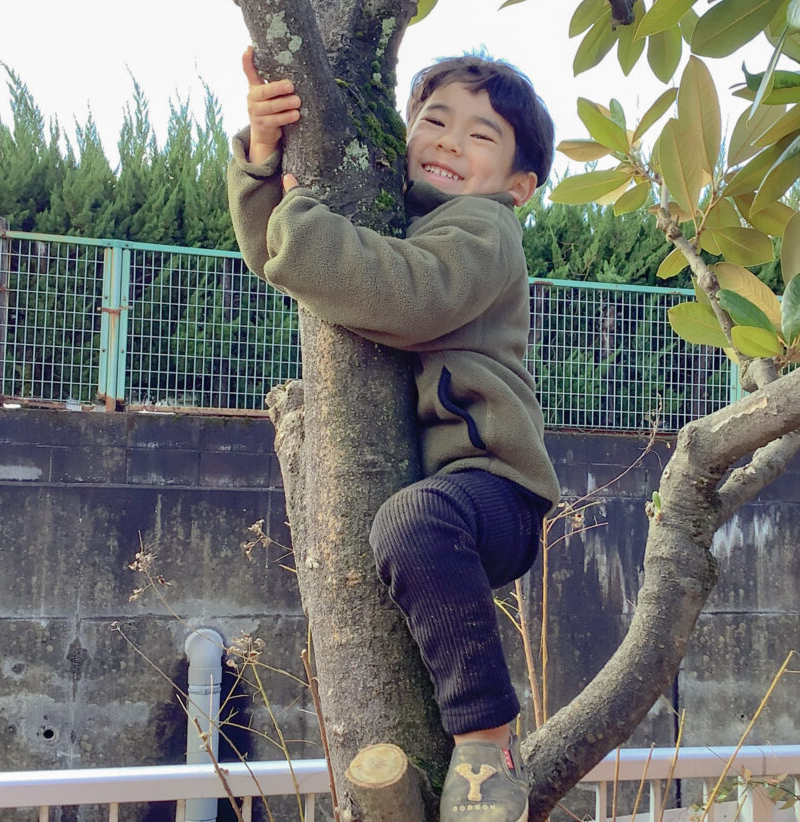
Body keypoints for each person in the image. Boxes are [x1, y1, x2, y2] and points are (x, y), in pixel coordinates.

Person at [228, 46, 560, 822]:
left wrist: (301, 212)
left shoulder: (484, 228)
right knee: (406, 526)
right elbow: (279, 256)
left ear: (519, 186)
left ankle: (487, 738)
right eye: (434, 120)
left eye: (481, 136)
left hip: (494, 488)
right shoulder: (404, 220)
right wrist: (264, 160)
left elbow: (406, 294)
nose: (448, 140)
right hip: (441, 498)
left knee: (413, 521)